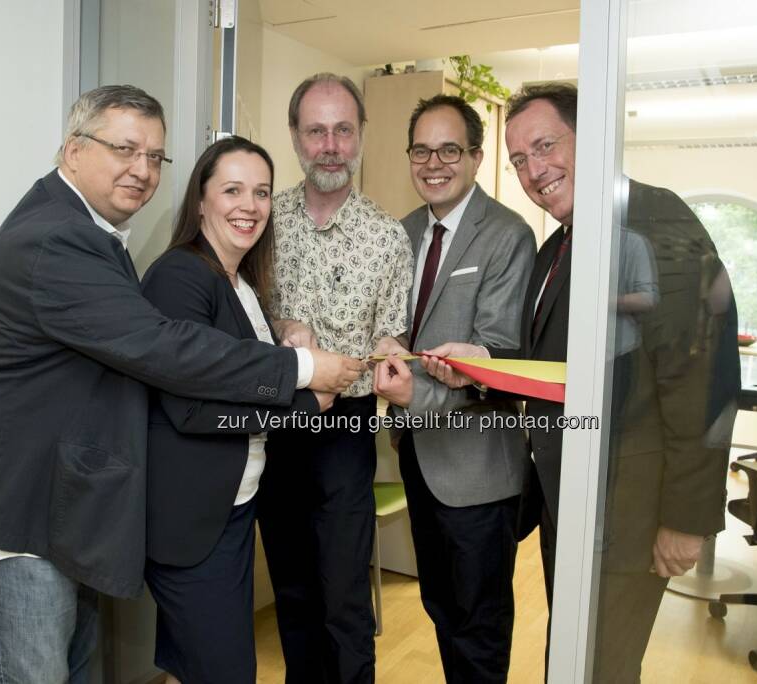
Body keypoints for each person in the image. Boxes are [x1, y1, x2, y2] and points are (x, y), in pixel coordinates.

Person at [0, 85, 362, 684]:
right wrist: (304, 373)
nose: (141, 170)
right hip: (19, 515)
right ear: (73, 149)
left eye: (154, 156)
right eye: (124, 149)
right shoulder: (56, 238)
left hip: (63, 513)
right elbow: (164, 349)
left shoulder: (93, 233)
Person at [414, 83, 739, 682]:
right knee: (570, 659)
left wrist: (687, 517)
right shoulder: (558, 247)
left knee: (603, 667)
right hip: (573, 504)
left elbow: (704, 380)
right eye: (519, 159)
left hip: (630, 510)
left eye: (545, 146)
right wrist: (477, 364)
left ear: (589, 139)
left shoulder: (654, 221)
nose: (534, 170)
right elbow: (548, 370)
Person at [140, 136, 339, 684]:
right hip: (191, 522)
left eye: (262, 193)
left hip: (231, 508)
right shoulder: (180, 276)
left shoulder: (241, 280)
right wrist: (306, 400)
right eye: (232, 190)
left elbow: (231, 367)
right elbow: (193, 410)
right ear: (200, 200)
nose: (249, 206)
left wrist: (283, 335)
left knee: (199, 666)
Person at [371, 94, 535, 683]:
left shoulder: (507, 235)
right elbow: (393, 322)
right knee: (442, 608)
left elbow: (497, 361)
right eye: (421, 149)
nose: (433, 162)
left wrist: (415, 395)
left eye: (449, 149)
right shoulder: (405, 230)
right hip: (417, 452)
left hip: (478, 469)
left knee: (478, 625)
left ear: (475, 156)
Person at [258, 73, 413, 683]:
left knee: (345, 599)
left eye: (342, 130)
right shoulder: (264, 219)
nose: (330, 145)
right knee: (292, 594)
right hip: (271, 425)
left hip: (345, 433)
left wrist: (378, 358)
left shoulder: (387, 238)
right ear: (295, 137)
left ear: (361, 137)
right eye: (316, 130)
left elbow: (390, 341)